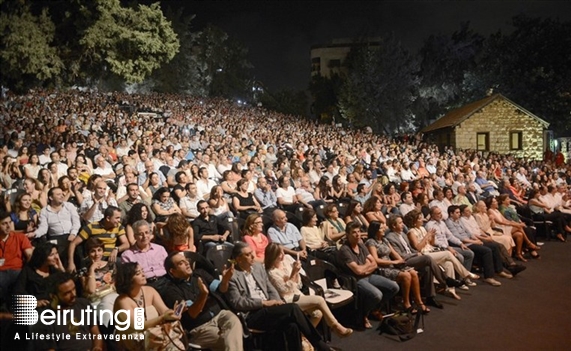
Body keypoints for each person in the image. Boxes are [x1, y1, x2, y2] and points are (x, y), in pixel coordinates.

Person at [225, 242, 340, 351]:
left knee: (292, 325)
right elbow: (237, 302)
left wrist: (277, 301)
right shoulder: (232, 276)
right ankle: (322, 346)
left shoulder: (258, 268)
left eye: (252, 253)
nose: (253, 257)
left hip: (269, 309)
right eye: (248, 254)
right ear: (239, 259)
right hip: (253, 314)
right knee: (293, 308)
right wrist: (264, 303)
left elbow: (271, 288)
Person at [265, 243, 353, 336]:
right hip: (288, 299)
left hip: (298, 293)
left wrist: (295, 274)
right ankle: (336, 326)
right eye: (279, 253)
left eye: (282, 251)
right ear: (272, 256)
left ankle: (303, 337)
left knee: (318, 314)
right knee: (319, 299)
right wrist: (294, 272)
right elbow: (285, 290)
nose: (282, 255)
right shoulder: (271, 272)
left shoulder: (287, 259)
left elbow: (298, 283)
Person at [162, 251, 243, 351]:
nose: (187, 263)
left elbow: (221, 289)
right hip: (200, 327)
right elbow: (193, 314)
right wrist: (203, 295)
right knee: (229, 339)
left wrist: (225, 280)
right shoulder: (171, 290)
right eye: (181, 263)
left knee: (234, 321)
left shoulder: (199, 273)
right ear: (172, 271)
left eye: (186, 260)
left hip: (220, 314)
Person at [404, 209, 477, 300]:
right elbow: (418, 248)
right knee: (447, 253)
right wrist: (427, 236)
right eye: (419, 219)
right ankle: (465, 274)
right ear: (414, 221)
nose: (422, 220)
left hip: (431, 250)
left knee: (449, 264)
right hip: (424, 255)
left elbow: (431, 244)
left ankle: (450, 290)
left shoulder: (422, 228)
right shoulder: (411, 232)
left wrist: (432, 236)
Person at [338, 221, 399, 329]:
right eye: (354, 233)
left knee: (394, 287)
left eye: (359, 232)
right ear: (347, 235)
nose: (358, 235)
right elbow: (358, 271)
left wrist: (365, 268)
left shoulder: (361, 245)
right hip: (356, 280)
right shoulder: (344, 250)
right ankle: (363, 315)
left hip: (369, 275)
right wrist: (367, 265)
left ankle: (374, 309)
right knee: (377, 295)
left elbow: (374, 264)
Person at [113, 262, 183, 350]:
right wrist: (162, 318)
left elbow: (164, 310)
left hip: (157, 337)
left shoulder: (150, 290)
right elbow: (138, 326)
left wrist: (172, 313)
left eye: (142, 271)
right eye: (138, 273)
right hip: (137, 343)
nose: (143, 274)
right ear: (128, 279)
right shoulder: (122, 301)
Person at [365, 221, 428, 314]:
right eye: (381, 228)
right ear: (375, 230)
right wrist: (394, 262)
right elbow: (376, 260)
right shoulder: (371, 242)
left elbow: (394, 253)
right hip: (381, 268)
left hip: (391, 266)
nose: (384, 229)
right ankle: (406, 304)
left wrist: (402, 262)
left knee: (413, 273)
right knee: (406, 275)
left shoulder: (384, 240)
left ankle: (419, 302)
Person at [31, 272, 104, 351]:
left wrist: (97, 347)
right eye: (67, 293)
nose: (73, 295)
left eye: (74, 289)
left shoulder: (83, 304)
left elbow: (96, 333)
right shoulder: (45, 319)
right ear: (53, 296)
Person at [445, 205, 507, 286]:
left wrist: (476, 239)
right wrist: (474, 242)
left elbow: (469, 233)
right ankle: (489, 277)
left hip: (470, 241)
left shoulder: (459, 220)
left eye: (459, 212)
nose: (459, 214)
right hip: (464, 244)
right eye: (457, 213)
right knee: (486, 251)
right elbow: (458, 237)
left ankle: (499, 270)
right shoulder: (449, 222)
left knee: (494, 246)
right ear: (451, 214)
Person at [67, 206, 129, 273]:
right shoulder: (92, 227)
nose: (119, 220)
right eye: (117, 218)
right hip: (95, 258)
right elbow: (73, 243)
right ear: (108, 218)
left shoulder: (118, 227)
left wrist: (116, 249)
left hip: (110, 259)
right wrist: (71, 262)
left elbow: (126, 244)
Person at [34, 186, 82, 266]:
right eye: (58, 194)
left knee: (76, 248)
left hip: (71, 235)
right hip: (56, 238)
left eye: (62, 194)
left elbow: (76, 222)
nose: (62, 196)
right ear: (51, 197)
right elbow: (43, 228)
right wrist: (34, 234)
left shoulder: (69, 206)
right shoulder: (44, 211)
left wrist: (73, 233)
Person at [13, 242, 65, 308]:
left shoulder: (54, 270)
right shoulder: (28, 271)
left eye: (56, 253)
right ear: (42, 257)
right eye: (51, 255)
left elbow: (67, 287)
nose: (56, 257)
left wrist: (61, 269)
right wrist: (35, 303)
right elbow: (16, 296)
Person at [80, 237, 118, 326]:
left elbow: (115, 286)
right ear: (88, 253)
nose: (97, 254)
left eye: (99, 250)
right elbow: (91, 290)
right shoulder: (84, 270)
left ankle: (107, 331)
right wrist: (92, 269)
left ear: (103, 251)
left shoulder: (111, 265)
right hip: (95, 302)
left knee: (107, 302)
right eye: (93, 251)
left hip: (112, 298)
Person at [121, 220, 168, 290]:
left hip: (165, 281)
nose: (144, 236)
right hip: (145, 285)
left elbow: (169, 266)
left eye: (147, 232)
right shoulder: (127, 255)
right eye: (140, 234)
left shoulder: (160, 249)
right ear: (135, 236)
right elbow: (130, 278)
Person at [0, 211, 34, 306]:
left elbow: (30, 255)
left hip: (17, 270)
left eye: (10, 222)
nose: (8, 226)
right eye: (4, 223)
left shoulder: (20, 237)